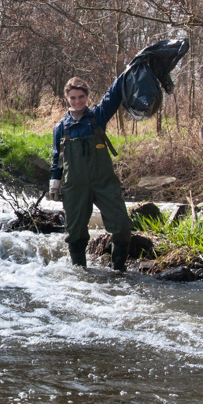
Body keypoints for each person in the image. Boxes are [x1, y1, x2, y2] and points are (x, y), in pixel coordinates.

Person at [48, 76, 132, 272]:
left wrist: (129, 71)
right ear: (67, 97)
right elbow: (56, 157)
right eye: (73, 97)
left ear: (87, 96)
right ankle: (81, 275)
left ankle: (118, 271)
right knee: (75, 233)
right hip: (75, 186)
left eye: (81, 97)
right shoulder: (61, 128)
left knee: (122, 226)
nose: (78, 101)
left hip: (104, 182)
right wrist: (55, 180)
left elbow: (114, 94)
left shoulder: (98, 117)